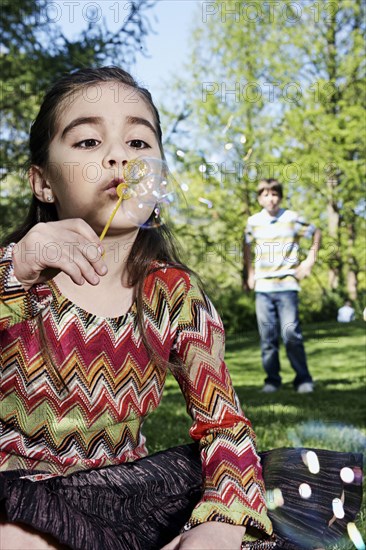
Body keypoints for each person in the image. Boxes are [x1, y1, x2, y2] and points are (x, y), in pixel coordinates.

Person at [0, 68, 363, 550]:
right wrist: (15, 270)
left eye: (139, 143)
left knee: (234, 491)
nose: (119, 157)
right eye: (88, 141)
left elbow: (223, 424)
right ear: (42, 182)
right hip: (17, 489)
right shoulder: (18, 276)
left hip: (122, 495)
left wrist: (219, 524)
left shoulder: (173, 294)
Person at [243, 179, 321, 394]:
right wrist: (249, 274)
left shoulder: (291, 218)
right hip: (263, 288)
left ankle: (303, 379)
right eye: (266, 194)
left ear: (280, 196)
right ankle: (272, 381)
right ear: (259, 198)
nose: (271, 198)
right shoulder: (253, 222)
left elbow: (316, 232)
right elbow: (247, 246)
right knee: (268, 337)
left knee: (291, 334)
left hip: (287, 285)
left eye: (275, 194)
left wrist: (309, 262)